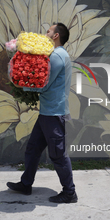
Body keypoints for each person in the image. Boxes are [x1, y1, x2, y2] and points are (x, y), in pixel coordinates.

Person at [7, 23, 77, 203]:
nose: (45, 34)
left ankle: (69, 193)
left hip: (53, 114)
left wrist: (20, 84)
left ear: (56, 36)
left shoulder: (57, 57)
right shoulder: (58, 55)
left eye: (48, 31)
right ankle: (26, 184)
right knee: (33, 149)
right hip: (48, 112)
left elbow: (42, 83)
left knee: (58, 154)